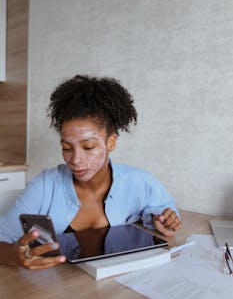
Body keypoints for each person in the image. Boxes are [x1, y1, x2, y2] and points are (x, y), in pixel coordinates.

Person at [0, 74, 182, 270]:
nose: (75, 160)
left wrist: (163, 220)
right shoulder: (44, 187)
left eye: (88, 147)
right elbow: (3, 238)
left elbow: (163, 211)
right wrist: (16, 256)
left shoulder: (139, 181)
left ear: (111, 142)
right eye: (67, 148)